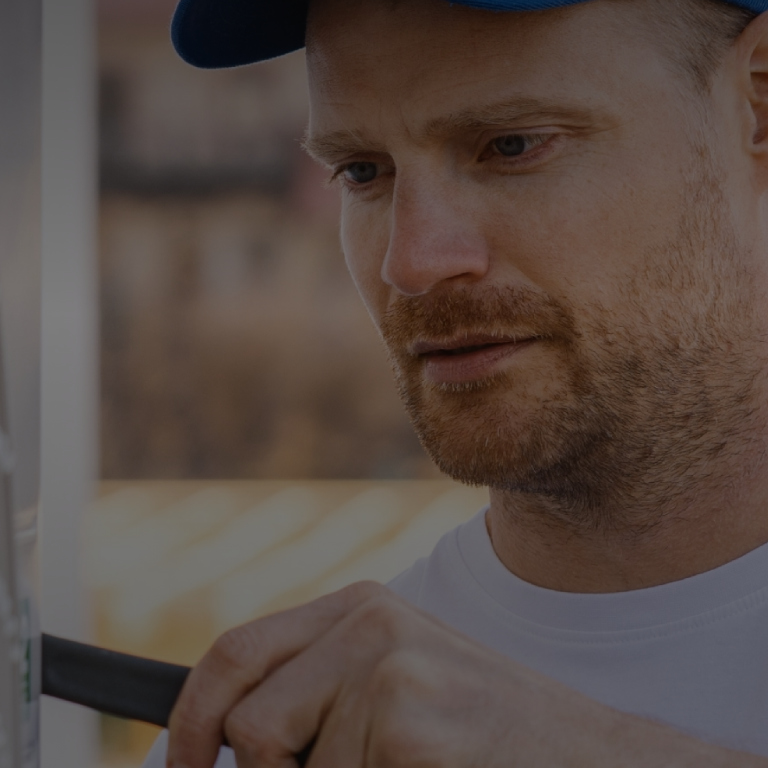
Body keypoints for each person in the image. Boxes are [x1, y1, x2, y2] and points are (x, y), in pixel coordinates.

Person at [142, 0, 768, 765]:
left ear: (758, 104)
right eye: (363, 171)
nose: (411, 262)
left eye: (511, 146)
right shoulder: (266, 738)